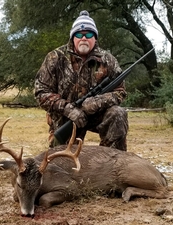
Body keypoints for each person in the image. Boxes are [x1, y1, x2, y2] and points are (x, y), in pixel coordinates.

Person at [34, 10, 128, 151]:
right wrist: (68, 109)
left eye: (89, 34)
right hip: (66, 117)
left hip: (97, 114)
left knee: (118, 114)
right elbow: (41, 92)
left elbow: (120, 92)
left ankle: (112, 164)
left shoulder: (108, 59)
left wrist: (96, 103)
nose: (84, 38)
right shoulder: (55, 58)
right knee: (60, 162)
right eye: (79, 34)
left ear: (95, 38)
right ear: (73, 37)